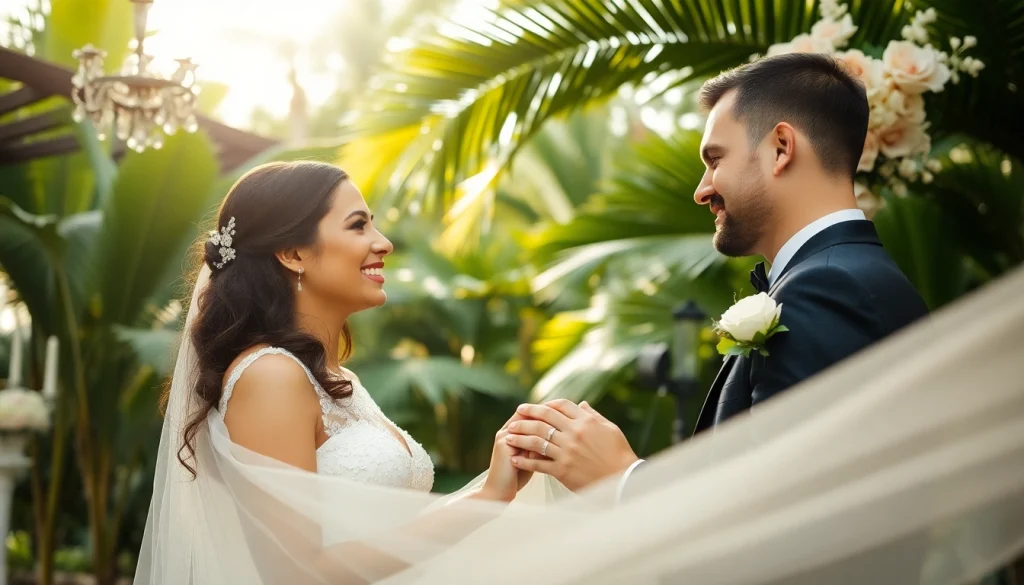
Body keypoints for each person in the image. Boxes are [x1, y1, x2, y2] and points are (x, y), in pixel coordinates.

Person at [505, 53, 929, 497]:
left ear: (781, 149)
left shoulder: (827, 290)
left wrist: (622, 478)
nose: (701, 189)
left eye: (715, 159)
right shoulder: (852, 278)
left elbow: (777, 516)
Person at [134, 161, 535, 584]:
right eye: (358, 226)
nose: (383, 244)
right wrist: (486, 499)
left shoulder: (336, 378)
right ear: (292, 254)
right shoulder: (270, 377)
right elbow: (296, 573)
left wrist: (494, 483)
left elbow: (388, 536)